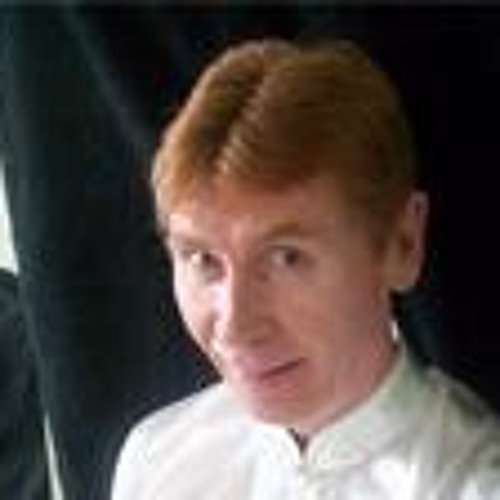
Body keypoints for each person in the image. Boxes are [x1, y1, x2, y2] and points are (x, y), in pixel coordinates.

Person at [111, 38, 500, 499]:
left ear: (402, 243)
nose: (236, 327)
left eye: (287, 257)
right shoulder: (156, 458)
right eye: (204, 260)